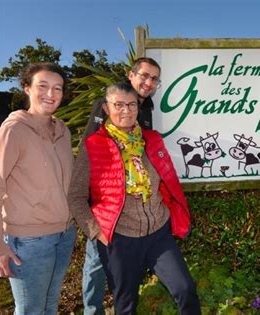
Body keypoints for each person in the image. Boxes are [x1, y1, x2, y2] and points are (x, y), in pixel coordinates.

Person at [68, 82, 201, 314]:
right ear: (107, 109)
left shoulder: (152, 140)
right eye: (118, 105)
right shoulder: (93, 145)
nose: (126, 111)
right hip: (120, 239)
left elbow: (168, 181)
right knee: (125, 304)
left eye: (131, 105)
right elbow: (76, 196)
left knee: (185, 288)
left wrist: (172, 214)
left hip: (158, 233)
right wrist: (95, 231)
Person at [81, 57, 161, 314]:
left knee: (123, 270)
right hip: (105, 202)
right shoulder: (105, 104)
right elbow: (88, 147)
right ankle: (92, 310)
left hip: (134, 207)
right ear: (131, 75)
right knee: (96, 262)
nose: (148, 83)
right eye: (144, 76)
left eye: (154, 79)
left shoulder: (148, 109)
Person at [0, 62, 76, 314]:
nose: (50, 94)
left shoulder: (63, 131)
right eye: (42, 86)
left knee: (50, 305)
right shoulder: (14, 130)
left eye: (57, 88)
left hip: (64, 235)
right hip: (29, 241)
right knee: (31, 309)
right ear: (27, 88)